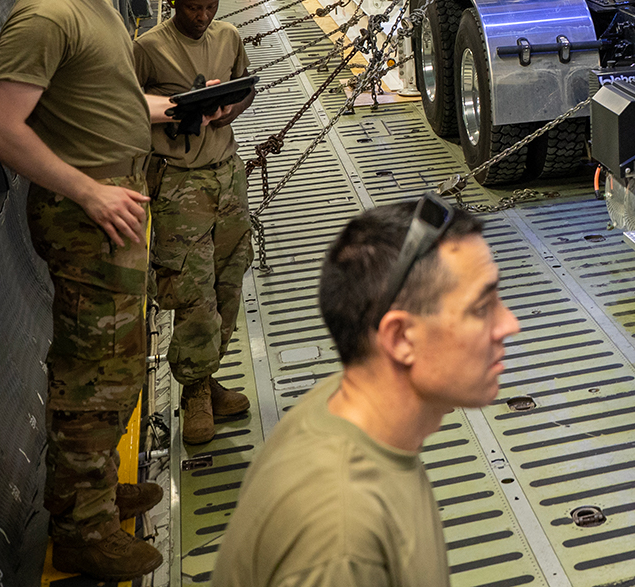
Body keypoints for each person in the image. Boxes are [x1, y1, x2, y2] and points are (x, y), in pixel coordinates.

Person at [0, 0, 178, 580]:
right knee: (93, 375)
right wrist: (90, 193)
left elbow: (93, 97)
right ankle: (82, 533)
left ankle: (89, 491)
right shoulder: (45, 13)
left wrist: (168, 109)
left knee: (117, 366)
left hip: (119, 196)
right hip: (89, 214)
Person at [213, 197, 521, 587]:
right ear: (399, 337)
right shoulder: (340, 541)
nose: (510, 324)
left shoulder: (348, 407)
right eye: (482, 307)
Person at [134, 0, 257, 445]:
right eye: (193, 7)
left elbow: (245, 87)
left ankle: (205, 378)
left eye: (210, 6)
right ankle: (195, 395)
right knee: (192, 292)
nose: (203, 16)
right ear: (172, 1)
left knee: (228, 282)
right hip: (178, 184)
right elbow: (127, 107)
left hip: (226, 176)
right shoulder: (147, 50)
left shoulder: (228, 37)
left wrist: (227, 108)